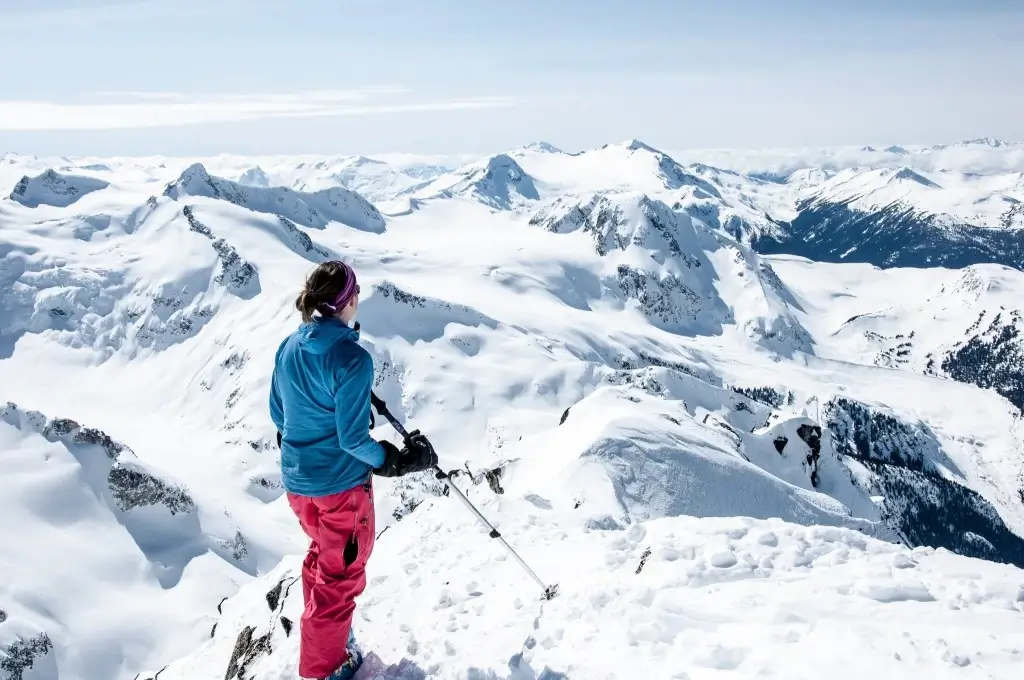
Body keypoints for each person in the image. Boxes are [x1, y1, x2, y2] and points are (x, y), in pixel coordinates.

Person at [269, 260, 437, 680]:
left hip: (298, 484)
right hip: (339, 488)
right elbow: (351, 440)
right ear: (347, 300)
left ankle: (331, 643)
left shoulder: (288, 346)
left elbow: (278, 414)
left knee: (325, 560)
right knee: (340, 578)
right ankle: (324, 669)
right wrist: (394, 461)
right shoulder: (352, 359)